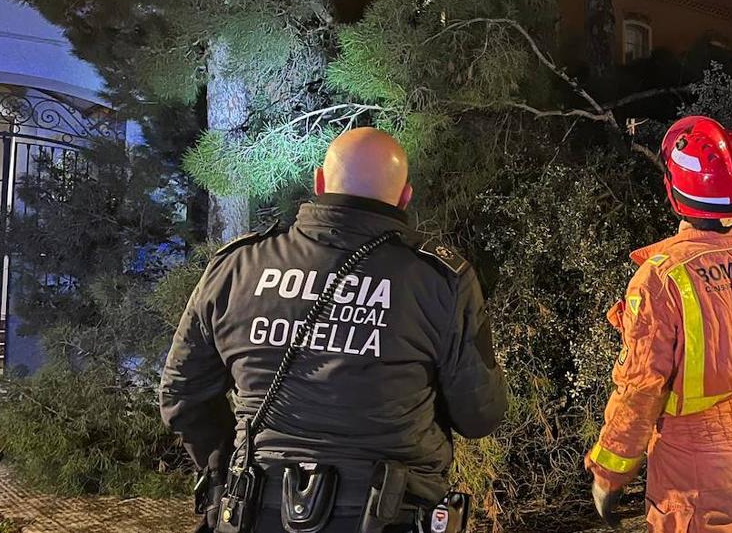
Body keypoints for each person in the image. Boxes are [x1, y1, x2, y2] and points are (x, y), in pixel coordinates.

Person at [160, 127, 507, 533]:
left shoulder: (237, 266)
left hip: (254, 512)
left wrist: (228, 468)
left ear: (319, 182)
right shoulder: (441, 279)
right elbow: (481, 415)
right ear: (404, 197)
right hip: (388, 515)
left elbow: (182, 395)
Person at [585, 116, 732, 533]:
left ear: (674, 193)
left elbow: (641, 389)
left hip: (691, 465)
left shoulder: (661, 279)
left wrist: (610, 470)